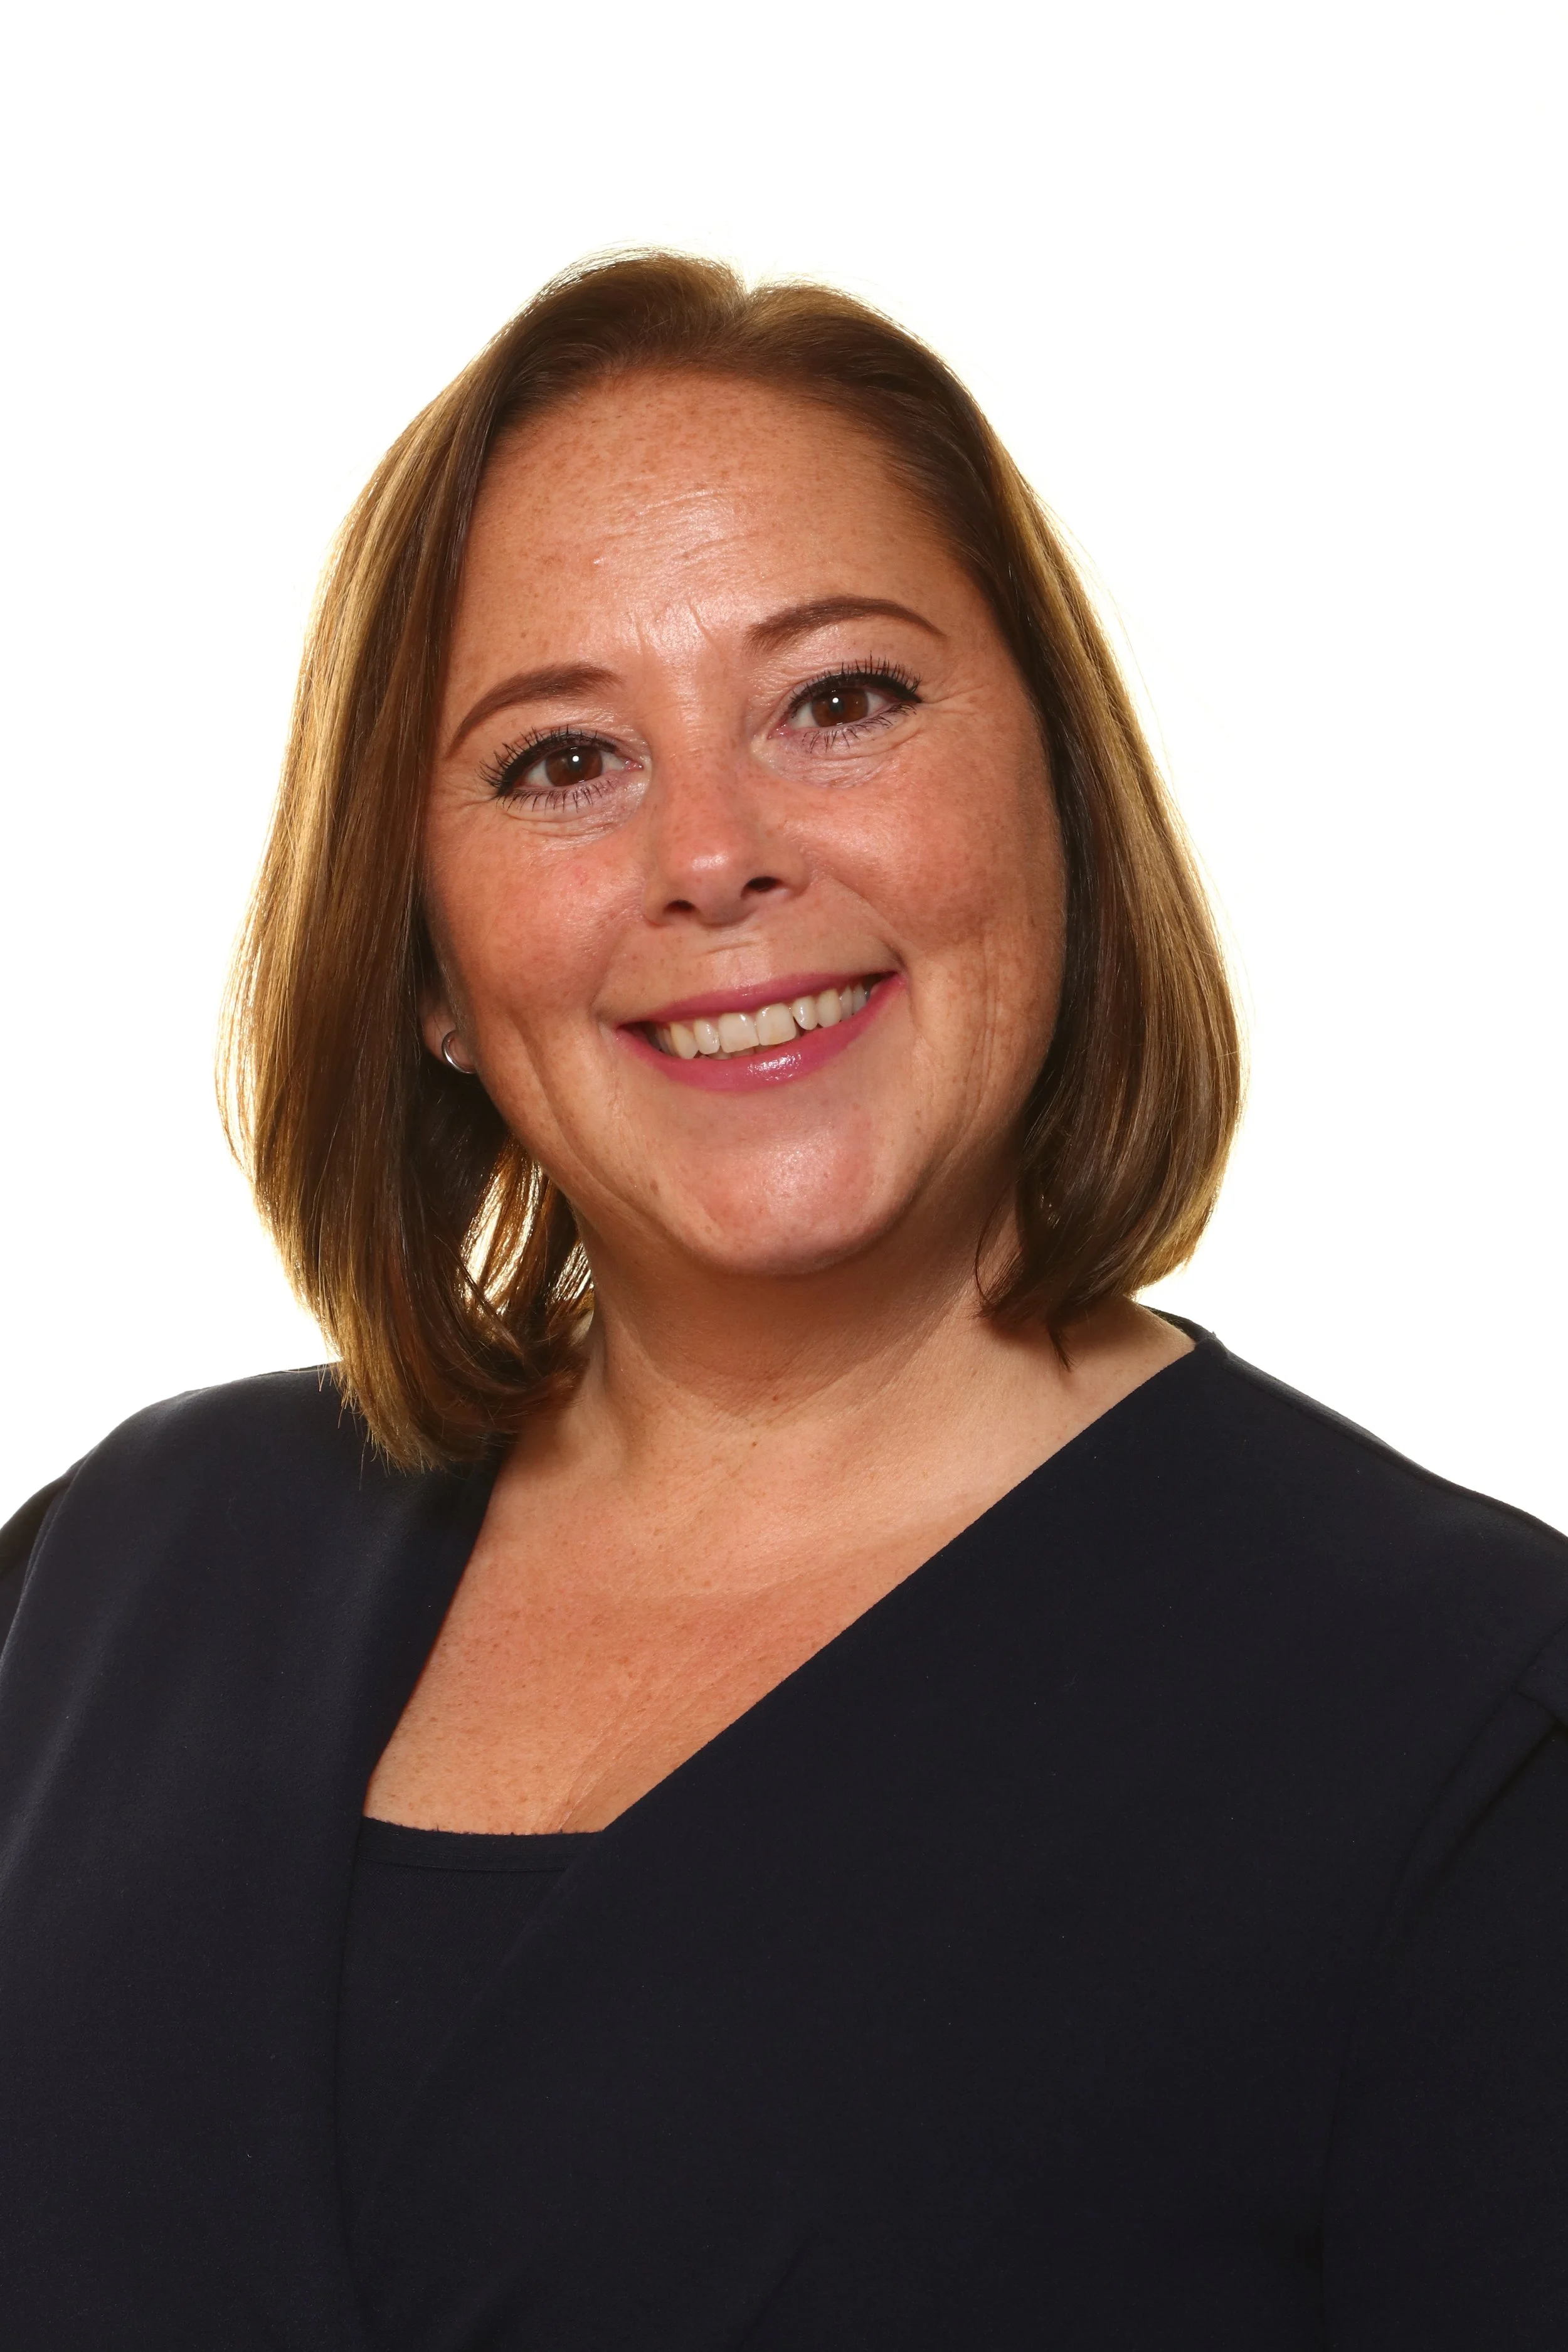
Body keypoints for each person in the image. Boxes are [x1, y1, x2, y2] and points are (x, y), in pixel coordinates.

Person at [1, 252, 1564, 2352]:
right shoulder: (112, 1580)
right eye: (561, 759)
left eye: (840, 698)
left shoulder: (1465, 1729)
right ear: (430, 962)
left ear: (1055, 802)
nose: (713, 855)